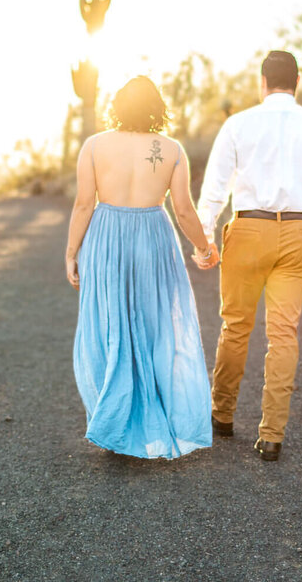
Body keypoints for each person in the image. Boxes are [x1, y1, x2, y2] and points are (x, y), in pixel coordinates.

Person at [195, 50, 302, 462]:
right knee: (283, 334)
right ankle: (272, 436)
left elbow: (214, 190)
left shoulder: (237, 125)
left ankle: (222, 415)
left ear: (262, 82)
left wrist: (204, 240)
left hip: (248, 230)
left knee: (236, 326)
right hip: (300, 233)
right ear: (297, 83)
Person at [65, 75, 219, 459]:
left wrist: (72, 252)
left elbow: (84, 203)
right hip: (153, 235)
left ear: (117, 106)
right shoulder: (171, 149)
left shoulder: (95, 145)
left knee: (110, 326)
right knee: (155, 327)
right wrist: (204, 247)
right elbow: (183, 209)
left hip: (106, 237)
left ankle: (115, 423)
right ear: (156, 107)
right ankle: (152, 419)